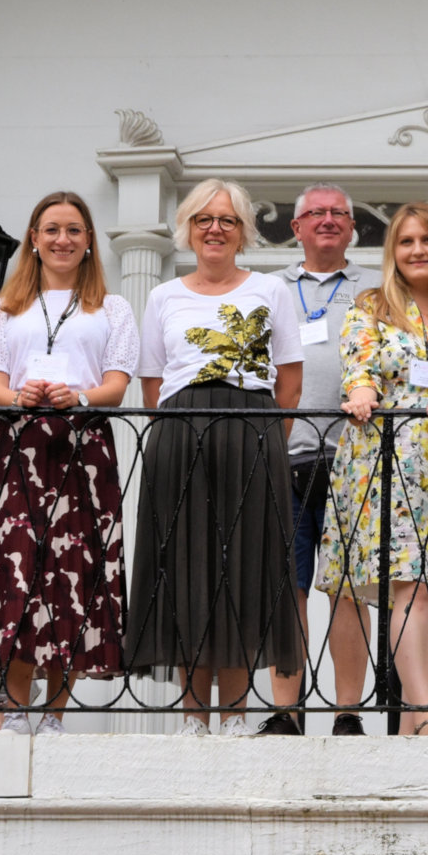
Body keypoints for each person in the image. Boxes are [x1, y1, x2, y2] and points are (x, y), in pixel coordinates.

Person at [129, 178, 305, 736]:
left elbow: (291, 382)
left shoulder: (271, 290)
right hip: (180, 435)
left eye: (227, 219)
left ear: (243, 231)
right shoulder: (163, 296)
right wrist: (184, 430)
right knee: (186, 563)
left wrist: (265, 438)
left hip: (252, 432)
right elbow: (153, 384)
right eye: (204, 218)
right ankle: (192, 714)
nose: (215, 228)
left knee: (244, 566)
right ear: (187, 228)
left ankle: (234, 714)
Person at [0, 190, 139, 735]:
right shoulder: (5, 307)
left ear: (89, 242)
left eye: (73, 230)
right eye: (51, 230)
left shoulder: (111, 308)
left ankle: (55, 713)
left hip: (82, 447)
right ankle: (18, 708)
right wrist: (16, 396)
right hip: (20, 447)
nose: (62, 239)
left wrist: (81, 396)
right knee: (15, 567)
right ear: (34, 240)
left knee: (73, 571)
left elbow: (116, 384)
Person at [317, 206, 428, 736]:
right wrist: (362, 391)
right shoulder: (371, 306)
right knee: (408, 586)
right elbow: (359, 367)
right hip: (385, 459)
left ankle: (415, 723)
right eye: (406, 241)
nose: (418, 250)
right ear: (392, 252)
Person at [265, 183, 376, 736]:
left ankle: (348, 712)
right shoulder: (268, 288)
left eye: (339, 214)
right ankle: (286, 711)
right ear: (296, 226)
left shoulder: (377, 289)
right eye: (316, 213)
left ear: (353, 228)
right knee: (289, 585)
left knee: (349, 587)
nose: (328, 220)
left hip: (355, 458)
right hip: (284, 455)